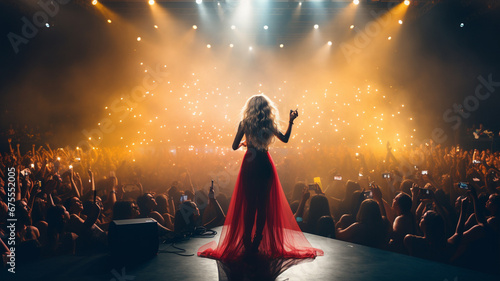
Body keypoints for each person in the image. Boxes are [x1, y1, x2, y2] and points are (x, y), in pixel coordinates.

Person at [198, 94, 323, 261]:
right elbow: (285, 139)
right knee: (263, 205)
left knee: (249, 205)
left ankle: (247, 242)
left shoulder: (244, 124)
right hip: (265, 164)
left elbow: (234, 146)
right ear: (266, 108)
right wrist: (291, 121)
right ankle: (258, 240)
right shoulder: (269, 124)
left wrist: (246, 141)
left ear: (249, 108)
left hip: (250, 165)